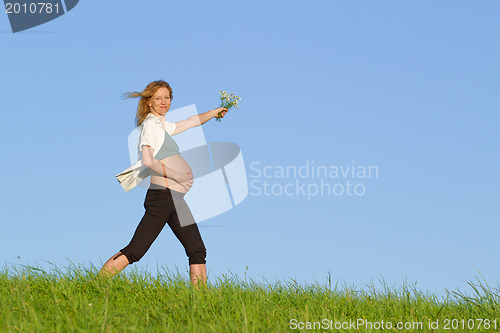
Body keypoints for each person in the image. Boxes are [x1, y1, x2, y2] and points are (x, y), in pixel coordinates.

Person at [98, 80, 227, 285]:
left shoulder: (160, 126)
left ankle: (202, 303)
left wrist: (213, 112)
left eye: (167, 97)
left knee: (197, 250)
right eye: (158, 98)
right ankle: (94, 285)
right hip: (162, 196)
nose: (163, 102)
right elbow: (148, 160)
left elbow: (190, 122)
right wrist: (177, 175)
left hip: (174, 198)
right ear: (148, 102)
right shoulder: (150, 124)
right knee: (135, 250)